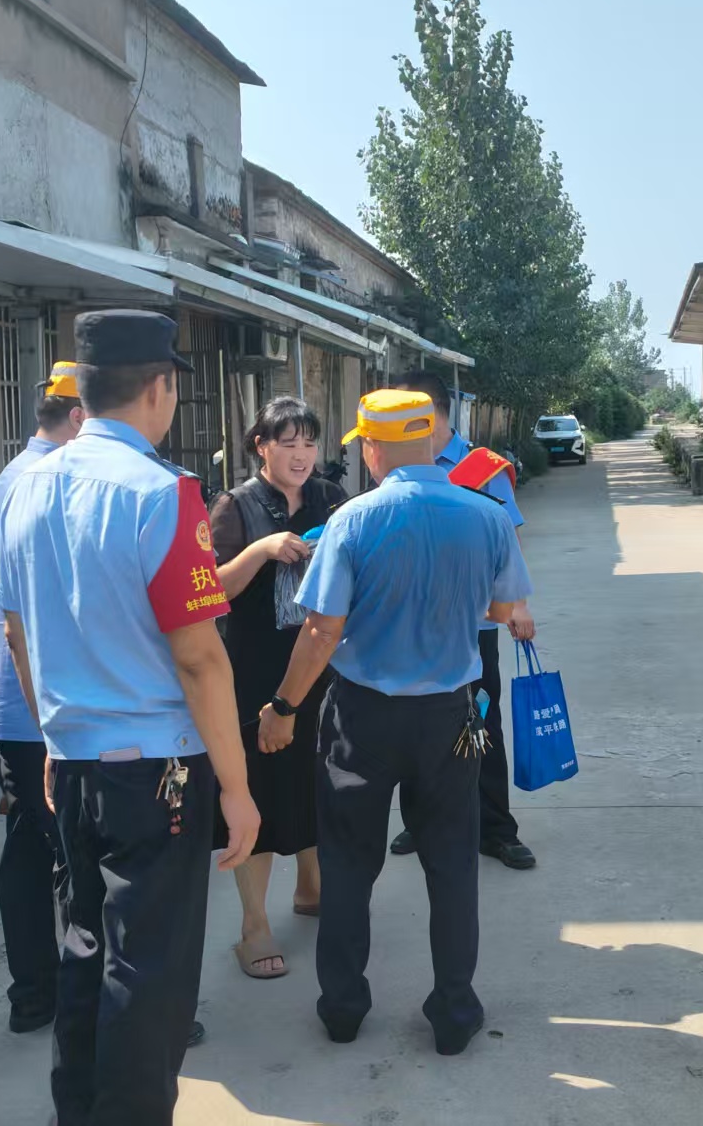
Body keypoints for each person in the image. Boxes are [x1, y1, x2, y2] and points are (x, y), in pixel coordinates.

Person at [0, 310, 261, 1126]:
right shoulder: (163, 493)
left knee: (84, 954)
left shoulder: (23, 486)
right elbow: (200, 656)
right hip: (159, 775)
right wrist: (237, 786)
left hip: (73, 765)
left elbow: (15, 632)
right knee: (150, 982)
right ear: (160, 387)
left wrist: (53, 736)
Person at [257, 390, 532, 1055]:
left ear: (374, 449)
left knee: (349, 864)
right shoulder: (486, 515)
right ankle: (455, 1011)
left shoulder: (353, 520)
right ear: (433, 441)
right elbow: (504, 610)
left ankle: (343, 1007)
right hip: (451, 716)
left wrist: (284, 707)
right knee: (453, 864)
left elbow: (321, 631)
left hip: (363, 717)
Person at [208, 397, 348, 979]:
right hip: (255, 670)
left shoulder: (331, 498)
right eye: (288, 443)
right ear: (260, 446)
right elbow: (210, 588)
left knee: (319, 781)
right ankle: (254, 925)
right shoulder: (235, 506)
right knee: (259, 791)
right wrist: (262, 549)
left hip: (318, 664)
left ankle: (312, 888)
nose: (301, 455)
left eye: (309, 443)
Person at [0, 361, 84, 1034]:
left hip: (18, 703)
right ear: (78, 416)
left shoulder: (18, 475)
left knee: (29, 843)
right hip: (40, 706)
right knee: (74, 852)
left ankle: (35, 995)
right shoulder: (45, 483)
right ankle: (90, 999)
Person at [388, 370, 537, 871]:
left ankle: (495, 829)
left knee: (481, 722)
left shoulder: (482, 467)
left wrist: (518, 604)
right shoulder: (397, 463)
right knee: (416, 723)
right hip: (413, 622)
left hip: (476, 623)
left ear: (429, 414)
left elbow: (509, 538)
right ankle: (420, 820)